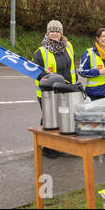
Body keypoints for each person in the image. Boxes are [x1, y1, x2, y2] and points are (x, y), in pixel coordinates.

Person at [33, 20, 77, 159]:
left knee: (62, 119)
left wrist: (74, 85)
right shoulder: (41, 51)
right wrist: (53, 79)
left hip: (66, 91)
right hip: (48, 93)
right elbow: (36, 72)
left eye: (57, 31)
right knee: (48, 120)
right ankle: (46, 148)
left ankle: (58, 146)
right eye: (52, 31)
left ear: (61, 33)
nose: (54, 34)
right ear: (47, 33)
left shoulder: (68, 46)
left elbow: (72, 68)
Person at [78, 28, 105, 101]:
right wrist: (98, 72)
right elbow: (81, 71)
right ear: (97, 38)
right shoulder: (89, 53)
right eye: (103, 36)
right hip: (94, 94)